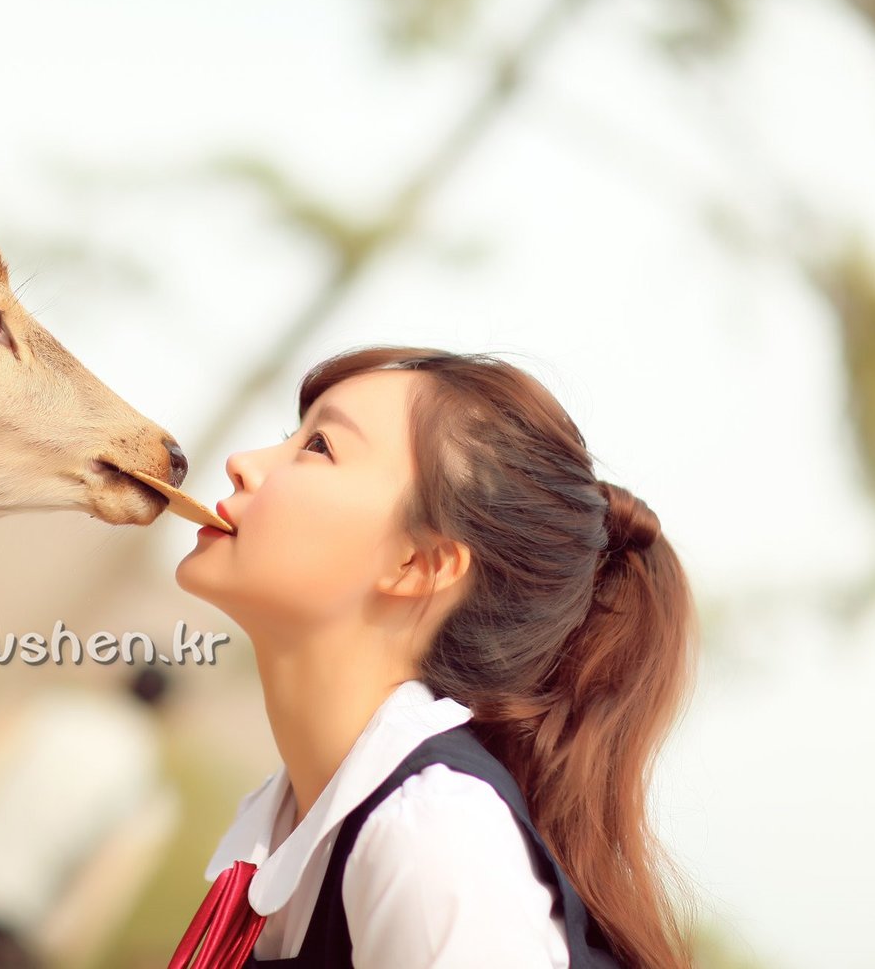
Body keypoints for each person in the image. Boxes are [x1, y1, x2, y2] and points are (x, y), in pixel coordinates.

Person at [174, 346, 697, 967]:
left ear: (418, 564)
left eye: (318, 447)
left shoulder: (434, 843)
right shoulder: (293, 818)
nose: (241, 464)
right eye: (294, 435)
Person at [0, 665, 179, 969]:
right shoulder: (147, 785)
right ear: (167, 710)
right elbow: (108, 879)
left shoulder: (52, 712)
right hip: (17, 924)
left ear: (120, 682)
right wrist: (64, 944)